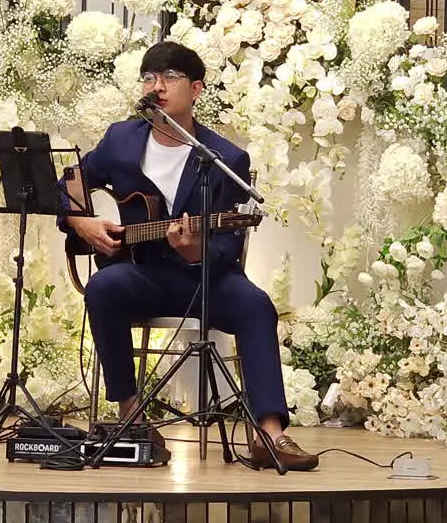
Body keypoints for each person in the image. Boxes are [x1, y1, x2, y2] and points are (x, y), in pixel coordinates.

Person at [61, 41, 319, 472]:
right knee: (103, 286)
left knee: (256, 305)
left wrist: (197, 250)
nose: (156, 87)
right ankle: (131, 414)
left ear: (196, 90)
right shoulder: (120, 139)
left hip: (205, 280)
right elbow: (67, 183)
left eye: (169, 78)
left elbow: (228, 246)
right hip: (141, 275)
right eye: (149, 77)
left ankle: (269, 434)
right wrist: (81, 223)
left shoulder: (224, 158)